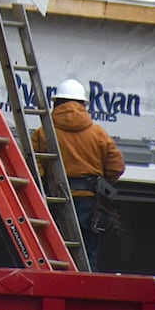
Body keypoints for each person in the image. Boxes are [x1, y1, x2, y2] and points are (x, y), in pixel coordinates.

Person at [33, 77, 125, 270]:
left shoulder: (43, 133)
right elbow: (116, 167)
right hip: (89, 204)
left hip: (56, 202)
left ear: (56, 103)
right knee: (87, 253)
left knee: (53, 251)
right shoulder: (98, 133)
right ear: (84, 105)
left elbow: (35, 168)